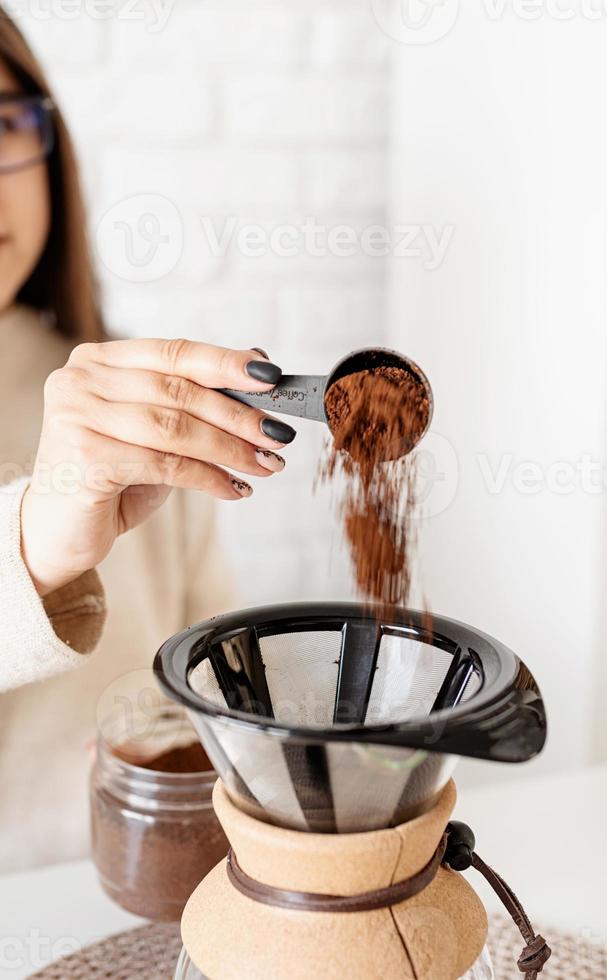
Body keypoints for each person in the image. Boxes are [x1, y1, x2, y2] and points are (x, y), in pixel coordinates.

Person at [0, 10, 296, 872]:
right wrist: (33, 539)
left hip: (169, 902)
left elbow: (217, 679)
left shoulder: (120, 405)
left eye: (3, 123)